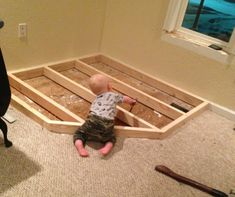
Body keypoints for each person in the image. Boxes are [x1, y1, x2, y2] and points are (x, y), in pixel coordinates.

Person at [73, 74, 136, 157]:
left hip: (92, 119)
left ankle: (80, 148)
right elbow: (126, 99)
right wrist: (132, 101)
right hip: (107, 122)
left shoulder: (96, 99)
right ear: (109, 86)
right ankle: (107, 146)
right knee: (111, 138)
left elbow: (90, 112)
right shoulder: (114, 96)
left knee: (79, 134)